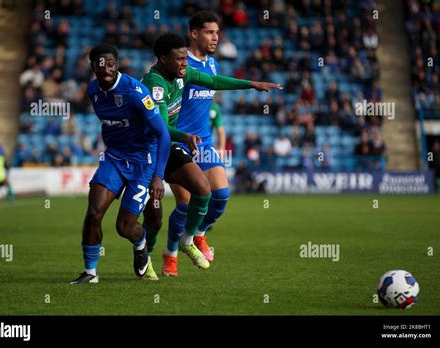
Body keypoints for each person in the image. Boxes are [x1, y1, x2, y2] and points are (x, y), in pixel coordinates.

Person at [142, 28, 282, 277]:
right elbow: (162, 129)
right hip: (148, 151)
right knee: (153, 218)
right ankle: (145, 258)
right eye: (180, 59)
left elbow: (214, 81)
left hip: (172, 147)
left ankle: (188, 240)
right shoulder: (156, 83)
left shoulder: (183, 73)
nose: (185, 64)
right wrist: (185, 136)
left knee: (205, 190)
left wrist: (251, 84)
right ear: (163, 59)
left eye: (186, 59)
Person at [69, 43, 171, 284]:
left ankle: (141, 243)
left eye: (111, 64)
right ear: (93, 66)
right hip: (114, 158)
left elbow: (163, 134)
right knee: (93, 212)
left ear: (117, 65)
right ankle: (90, 273)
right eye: (101, 65)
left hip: (143, 163)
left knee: (124, 228)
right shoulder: (93, 90)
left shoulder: (135, 91)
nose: (106, 70)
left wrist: (158, 176)